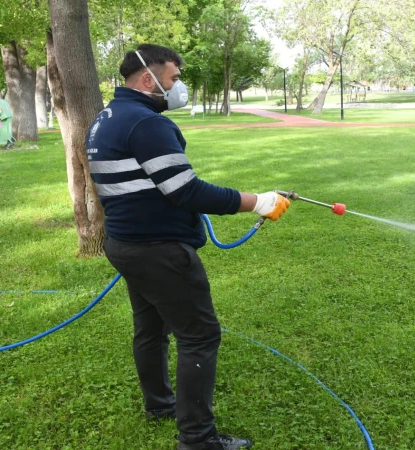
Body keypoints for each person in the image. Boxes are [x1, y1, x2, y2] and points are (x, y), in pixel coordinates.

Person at [85, 44, 291, 450]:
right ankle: (197, 440)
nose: (178, 86)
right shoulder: (145, 123)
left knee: (151, 329)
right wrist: (259, 201)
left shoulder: (105, 118)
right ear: (149, 79)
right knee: (199, 336)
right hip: (159, 251)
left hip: (125, 244)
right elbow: (185, 190)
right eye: (174, 78)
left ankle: (161, 405)